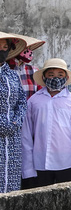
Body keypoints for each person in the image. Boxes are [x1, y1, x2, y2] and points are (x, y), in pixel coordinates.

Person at [22, 58, 71, 187]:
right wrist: (28, 169)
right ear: (44, 77)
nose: (55, 78)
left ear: (66, 77)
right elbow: (26, 135)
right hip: (40, 162)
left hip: (66, 162)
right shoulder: (34, 101)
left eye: (60, 75)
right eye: (51, 75)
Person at [0, 33, 28, 193]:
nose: (2, 51)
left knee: (11, 183)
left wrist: (16, 122)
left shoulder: (12, 75)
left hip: (13, 137)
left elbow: (22, 102)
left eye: (5, 48)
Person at [8, 34, 45, 100]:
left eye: (28, 48)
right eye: (25, 48)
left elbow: (41, 95)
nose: (28, 51)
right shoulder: (5, 70)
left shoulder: (34, 71)